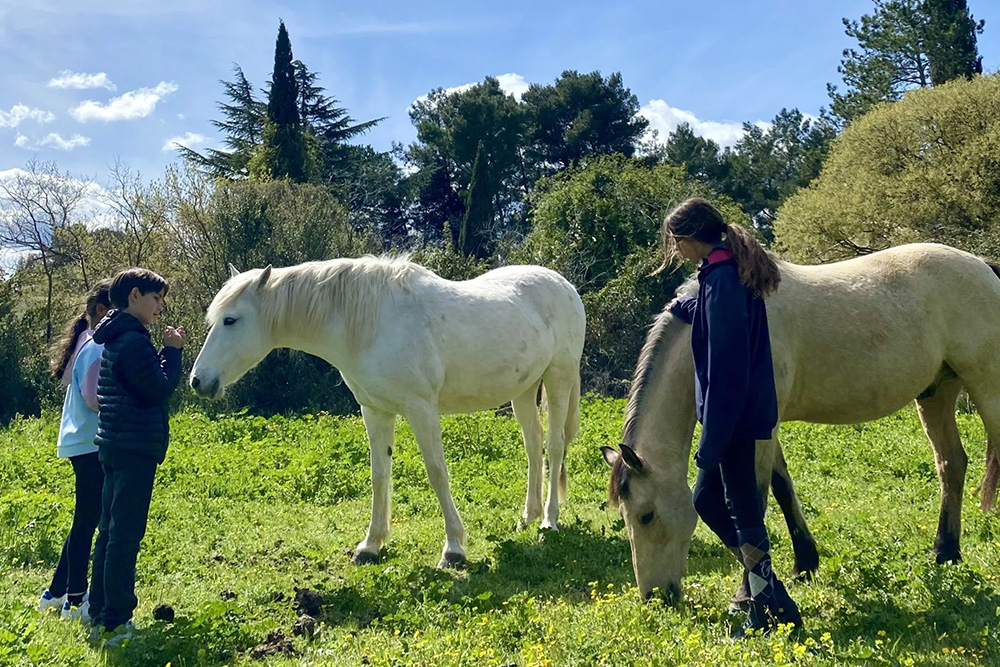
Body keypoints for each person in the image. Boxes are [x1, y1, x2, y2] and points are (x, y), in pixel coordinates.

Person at [662, 198, 801, 638]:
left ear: (691, 238)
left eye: (677, 241)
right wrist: (685, 309)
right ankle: (771, 594)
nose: (676, 250)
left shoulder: (722, 276)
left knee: (743, 513)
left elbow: (726, 368)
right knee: (708, 502)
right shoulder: (721, 272)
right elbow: (720, 321)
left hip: (734, 418)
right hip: (736, 415)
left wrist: (712, 440)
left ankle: (766, 610)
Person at [86, 268, 185, 645]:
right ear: (134, 297)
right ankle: (116, 622)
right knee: (124, 536)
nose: (160, 307)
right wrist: (172, 353)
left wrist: (161, 352)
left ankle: (98, 614)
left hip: (113, 443)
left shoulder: (115, 336)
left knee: (108, 532)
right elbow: (158, 389)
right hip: (133, 448)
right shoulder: (133, 340)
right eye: (156, 298)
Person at [36, 280, 113, 623]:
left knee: (85, 518)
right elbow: (95, 398)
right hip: (88, 441)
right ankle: (76, 600)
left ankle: (55, 593)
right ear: (102, 311)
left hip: (77, 440)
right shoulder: (97, 346)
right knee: (87, 522)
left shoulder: (86, 340)